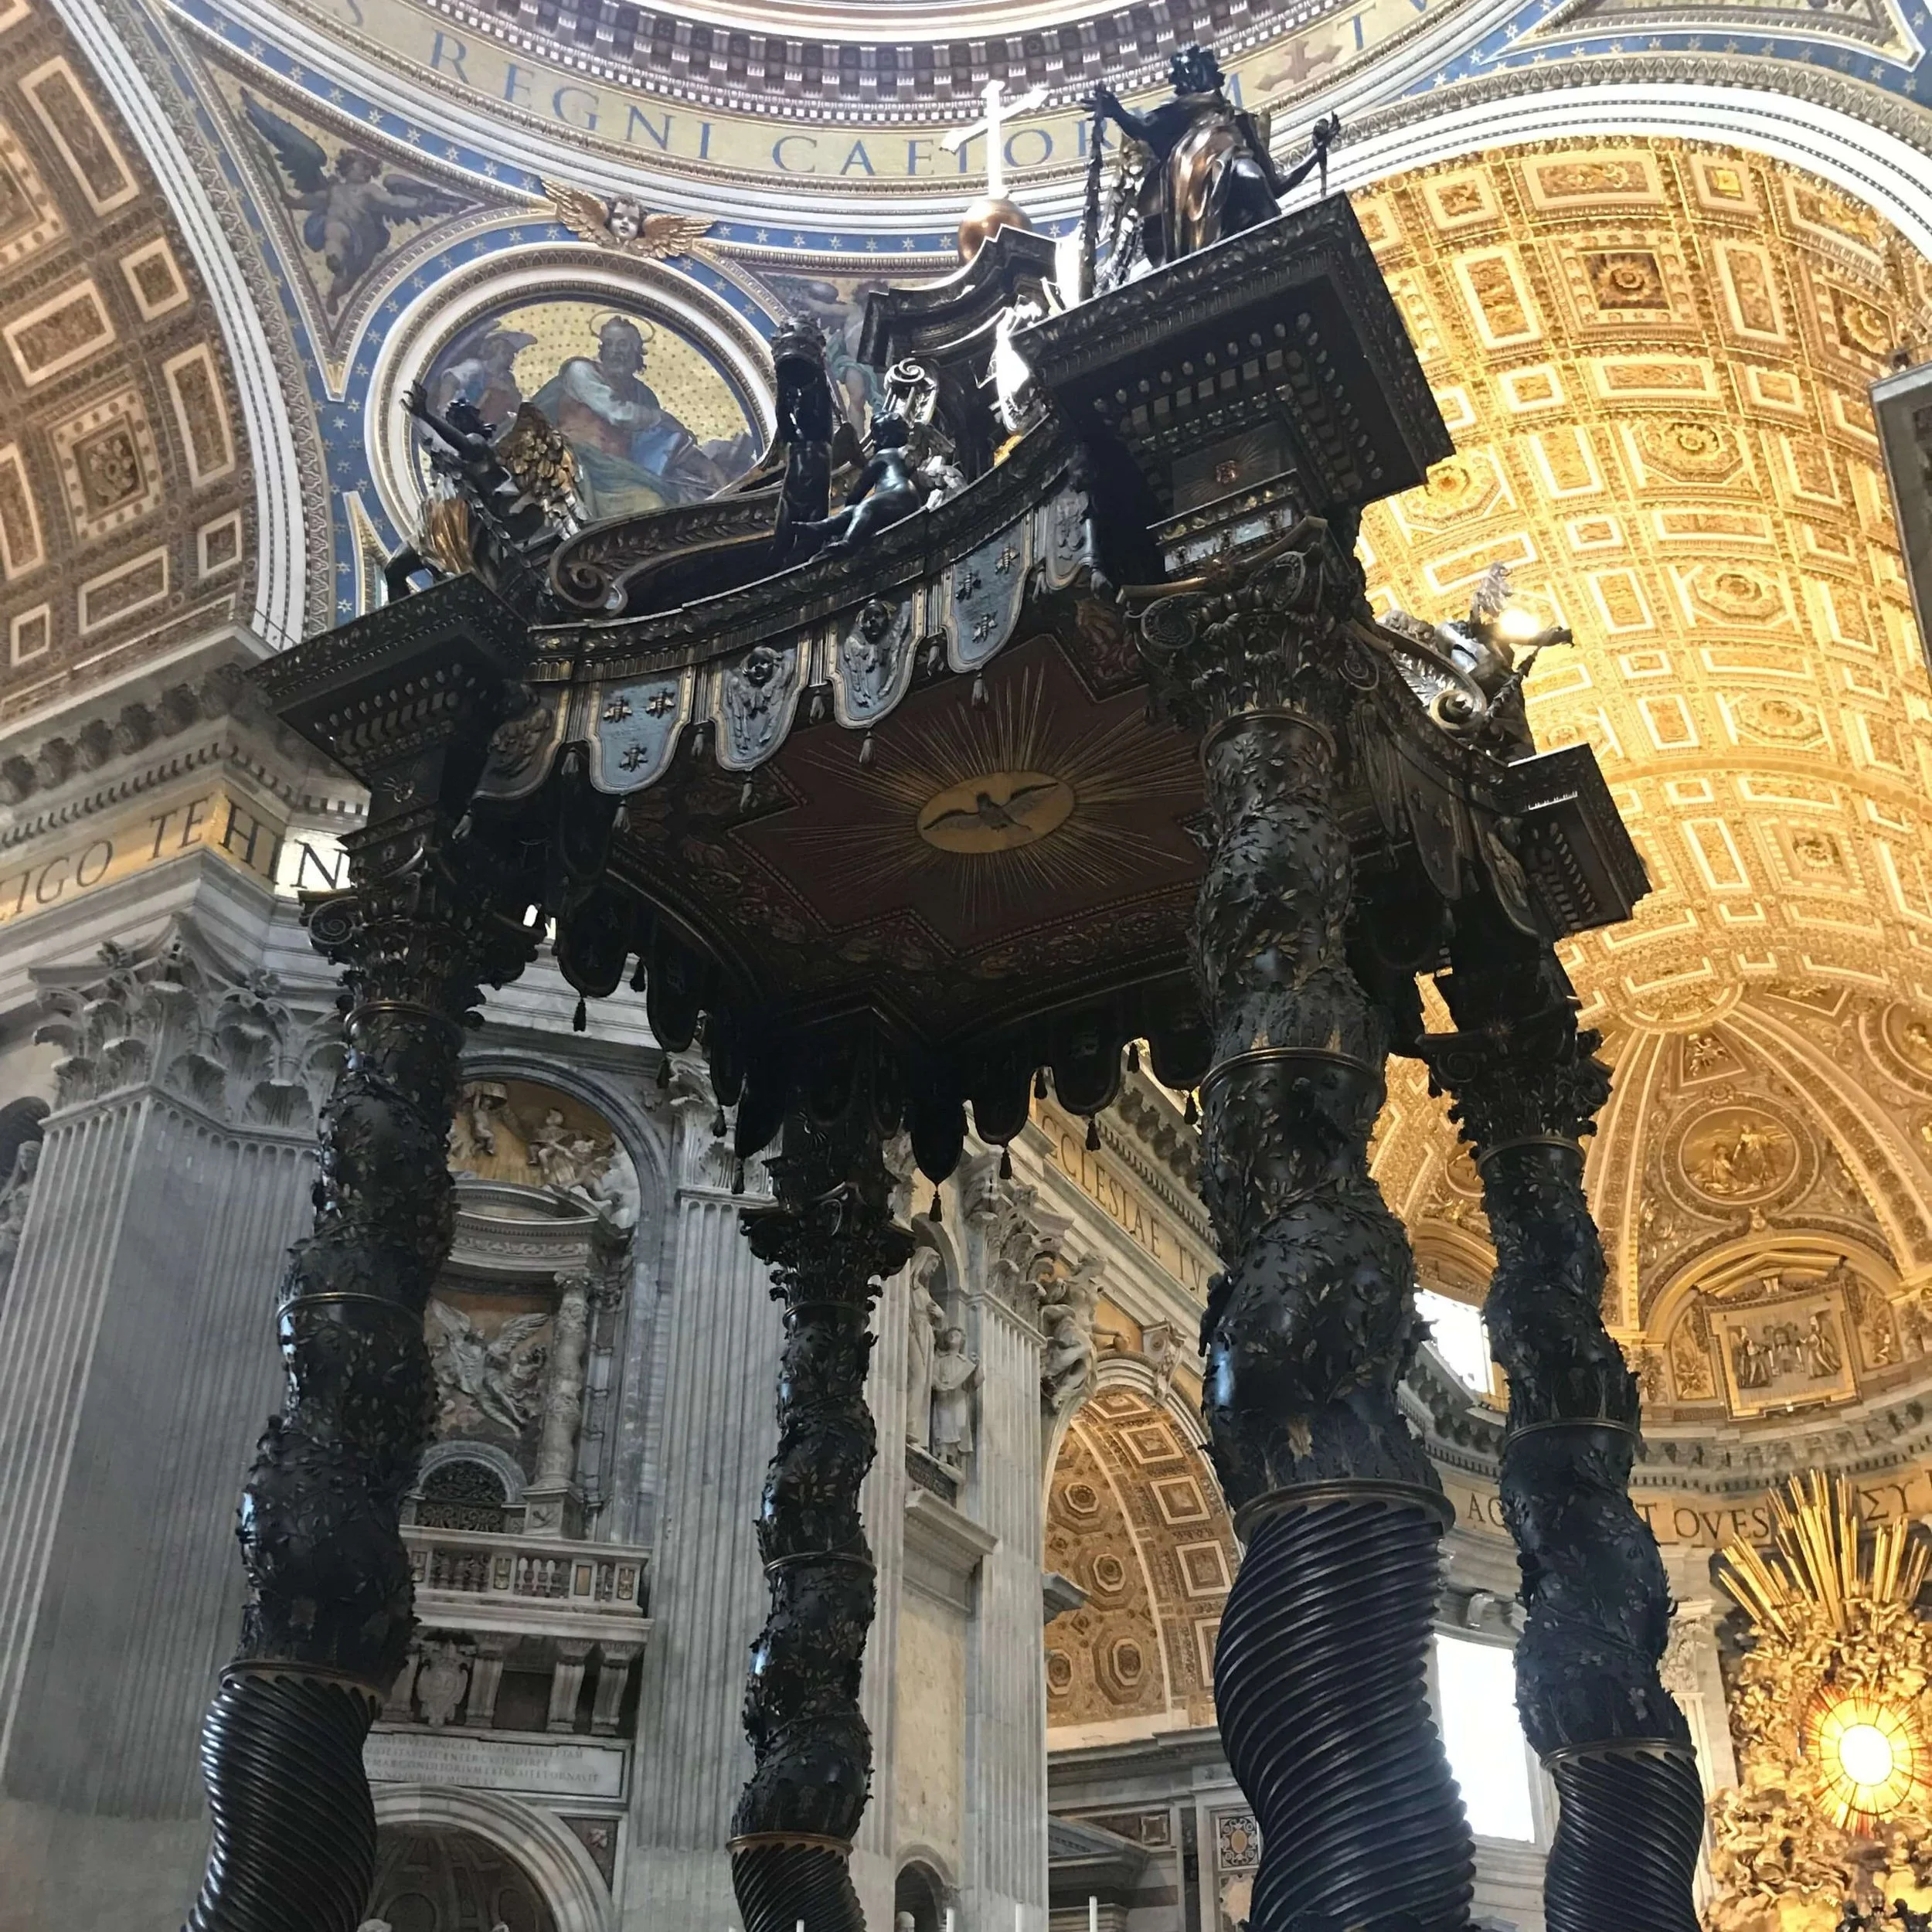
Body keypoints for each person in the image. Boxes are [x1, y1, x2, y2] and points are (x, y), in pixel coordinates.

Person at [1086, 44, 1322, 267]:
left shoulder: (1240, 120)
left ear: (1208, 70)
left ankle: (1286, 254)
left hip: (1231, 164)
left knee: (1252, 178)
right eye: (1185, 72)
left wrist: (1316, 152)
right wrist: (1117, 112)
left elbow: (1275, 185)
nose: (1190, 75)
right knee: (1248, 177)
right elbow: (1143, 128)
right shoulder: (1179, 110)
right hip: (1194, 181)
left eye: (1193, 67)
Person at [531, 316, 732, 516]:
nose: (615, 351)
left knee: (657, 505)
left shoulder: (643, 395)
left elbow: (657, 443)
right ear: (602, 349)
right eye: (609, 344)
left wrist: (702, 463)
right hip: (580, 468)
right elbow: (618, 413)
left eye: (623, 344)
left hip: (622, 476)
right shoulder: (581, 372)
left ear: (637, 352)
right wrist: (663, 418)